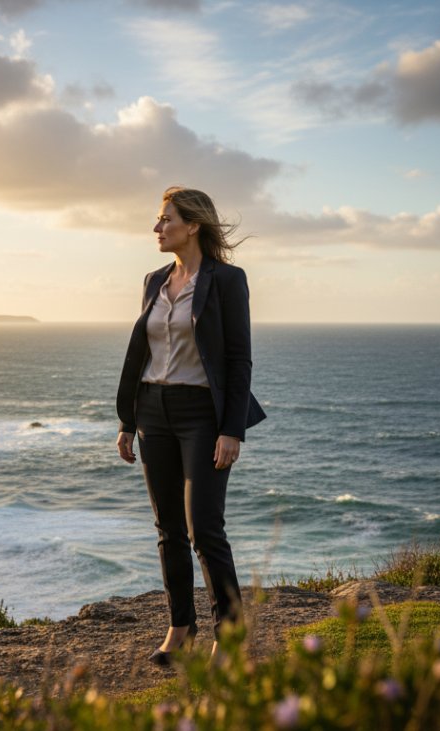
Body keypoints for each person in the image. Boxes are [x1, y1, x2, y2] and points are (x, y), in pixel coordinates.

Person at [115, 186, 266, 666]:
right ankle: (181, 628)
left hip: (203, 414)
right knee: (168, 530)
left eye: (165, 219)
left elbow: (239, 359)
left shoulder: (227, 280)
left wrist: (232, 430)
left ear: (193, 225)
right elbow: (143, 353)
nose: (157, 228)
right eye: (159, 220)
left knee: (205, 528)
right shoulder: (154, 280)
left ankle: (231, 633)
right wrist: (126, 420)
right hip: (152, 411)